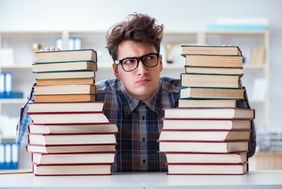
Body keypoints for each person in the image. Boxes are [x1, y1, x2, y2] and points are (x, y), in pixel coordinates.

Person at [16, 13, 256, 172]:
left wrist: (227, 83)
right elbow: (24, 139)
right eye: (130, 61)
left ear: (160, 62)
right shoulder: (94, 99)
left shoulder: (187, 97)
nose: (141, 70)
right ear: (117, 70)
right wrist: (48, 84)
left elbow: (248, 147)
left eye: (148, 58)